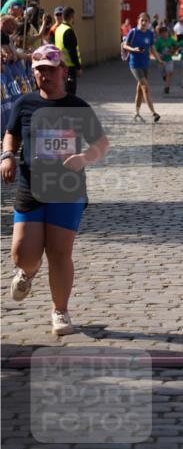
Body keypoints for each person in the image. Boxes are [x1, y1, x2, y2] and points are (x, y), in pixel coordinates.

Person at [2, 45, 110, 336]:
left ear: (63, 71)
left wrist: (85, 158)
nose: (44, 74)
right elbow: (10, 134)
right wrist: (7, 156)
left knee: (59, 252)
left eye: (50, 69)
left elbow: (101, 144)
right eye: (39, 69)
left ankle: (59, 311)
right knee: (22, 254)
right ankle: (27, 271)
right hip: (31, 186)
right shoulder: (24, 104)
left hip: (67, 189)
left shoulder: (77, 107)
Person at [123, 12, 162, 121]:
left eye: (146, 21)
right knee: (145, 86)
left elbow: (152, 48)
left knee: (140, 89)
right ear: (138, 21)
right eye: (142, 20)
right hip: (134, 64)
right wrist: (133, 49)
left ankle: (136, 112)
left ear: (149, 22)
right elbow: (125, 45)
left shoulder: (150, 34)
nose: (144, 22)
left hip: (145, 64)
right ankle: (153, 113)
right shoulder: (133, 32)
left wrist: (159, 59)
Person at [53, 6, 82, 96]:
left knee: (64, 91)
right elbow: (72, 51)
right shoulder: (68, 31)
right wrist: (78, 67)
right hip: (70, 67)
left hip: (61, 65)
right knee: (70, 92)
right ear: (72, 16)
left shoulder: (59, 29)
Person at [154, 24, 178, 94]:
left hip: (168, 59)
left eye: (166, 33)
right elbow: (154, 50)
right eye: (163, 33)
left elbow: (177, 45)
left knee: (169, 72)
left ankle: (167, 87)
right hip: (160, 61)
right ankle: (164, 77)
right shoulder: (158, 41)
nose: (165, 35)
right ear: (160, 34)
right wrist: (159, 55)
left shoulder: (171, 40)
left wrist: (173, 51)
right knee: (164, 74)